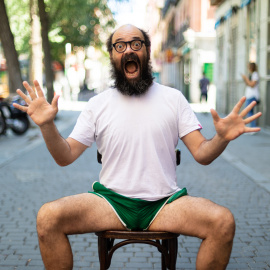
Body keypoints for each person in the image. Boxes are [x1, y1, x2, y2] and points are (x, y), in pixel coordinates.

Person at [13, 24, 262, 270]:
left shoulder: (173, 99)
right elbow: (64, 156)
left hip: (165, 204)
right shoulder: (97, 104)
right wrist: (46, 126)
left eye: (136, 44)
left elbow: (202, 154)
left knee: (223, 222)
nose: (128, 50)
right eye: (120, 45)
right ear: (112, 55)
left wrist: (222, 138)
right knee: (48, 217)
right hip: (110, 202)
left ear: (147, 51)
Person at [241, 62, 260, 128]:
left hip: (252, 96)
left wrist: (246, 78)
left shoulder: (255, 74)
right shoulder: (251, 74)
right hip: (249, 96)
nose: (248, 68)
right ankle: (252, 127)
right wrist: (244, 79)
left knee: (248, 111)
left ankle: (253, 127)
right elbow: (248, 84)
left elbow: (252, 85)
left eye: (249, 67)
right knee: (249, 112)